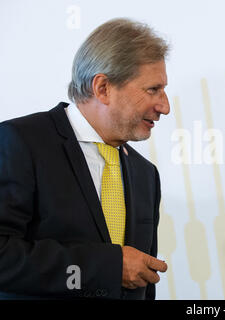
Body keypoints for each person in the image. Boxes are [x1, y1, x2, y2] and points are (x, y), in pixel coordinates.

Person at [0, 18, 170, 299]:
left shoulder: (145, 174)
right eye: (153, 89)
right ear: (103, 88)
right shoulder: (20, 142)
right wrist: (107, 267)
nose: (164, 106)